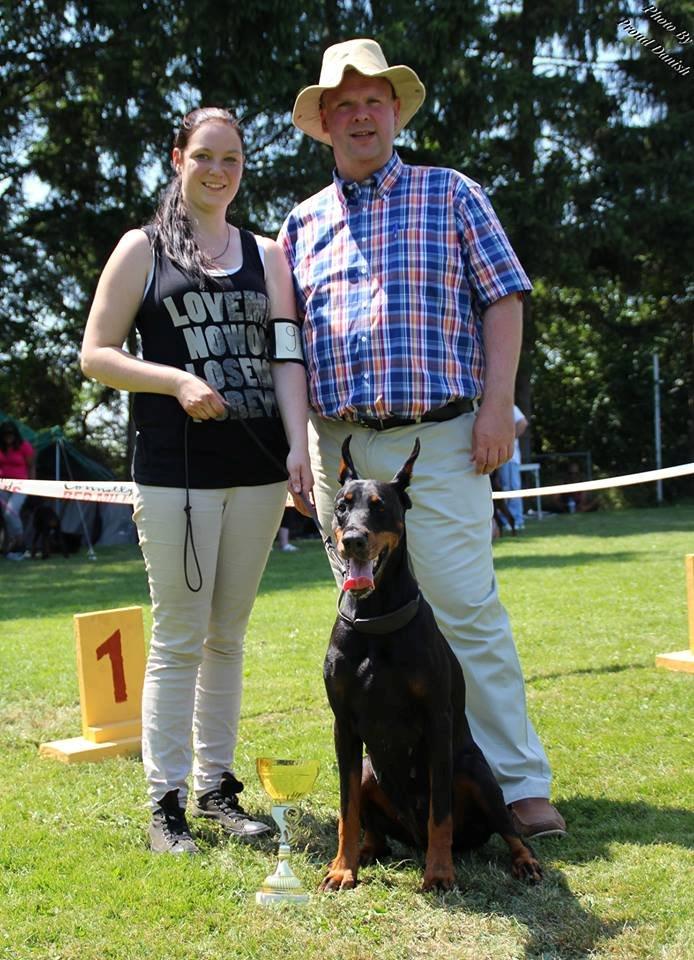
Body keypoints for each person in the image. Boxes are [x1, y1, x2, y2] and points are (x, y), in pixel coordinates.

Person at [279, 39, 565, 839]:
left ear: (396, 112)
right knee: (364, 620)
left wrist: (497, 407)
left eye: (375, 100)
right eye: (345, 105)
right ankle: (391, 793)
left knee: (466, 609)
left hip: (441, 440)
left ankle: (516, 785)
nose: (361, 115)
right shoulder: (301, 226)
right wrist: (301, 443)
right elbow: (291, 347)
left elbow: (504, 298)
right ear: (325, 124)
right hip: (342, 450)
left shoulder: (453, 194)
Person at [81, 107, 313, 855]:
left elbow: (285, 358)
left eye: (232, 159)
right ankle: (165, 806)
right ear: (177, 158)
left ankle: (216, 789)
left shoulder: (268, 254)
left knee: (228, 637)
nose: (218, 171)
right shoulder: (140, 249)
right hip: (174, 473)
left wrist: (298, 448)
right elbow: (97, 353)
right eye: (204, 156)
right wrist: (175, 379)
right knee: (180, 638)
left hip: (255, 474)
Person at [0, 419, 35, 559]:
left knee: (10, 512)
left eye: (11, 434)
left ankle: (20, 542)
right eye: (5, 435)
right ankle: (13, 548)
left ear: (16, 435)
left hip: (21, 484)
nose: (8, 437)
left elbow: (31, 466)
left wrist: (34, 485)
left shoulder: (24, 446)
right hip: (2, 485)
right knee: (6, 514)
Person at [496, 403, 528, 531]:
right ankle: (510, 520)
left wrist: (508, 439)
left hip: (510, 458)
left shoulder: (510, 407)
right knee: (506, 488)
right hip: (503, 458)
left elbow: (523, 423)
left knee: (511, 488)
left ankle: (515, 520)